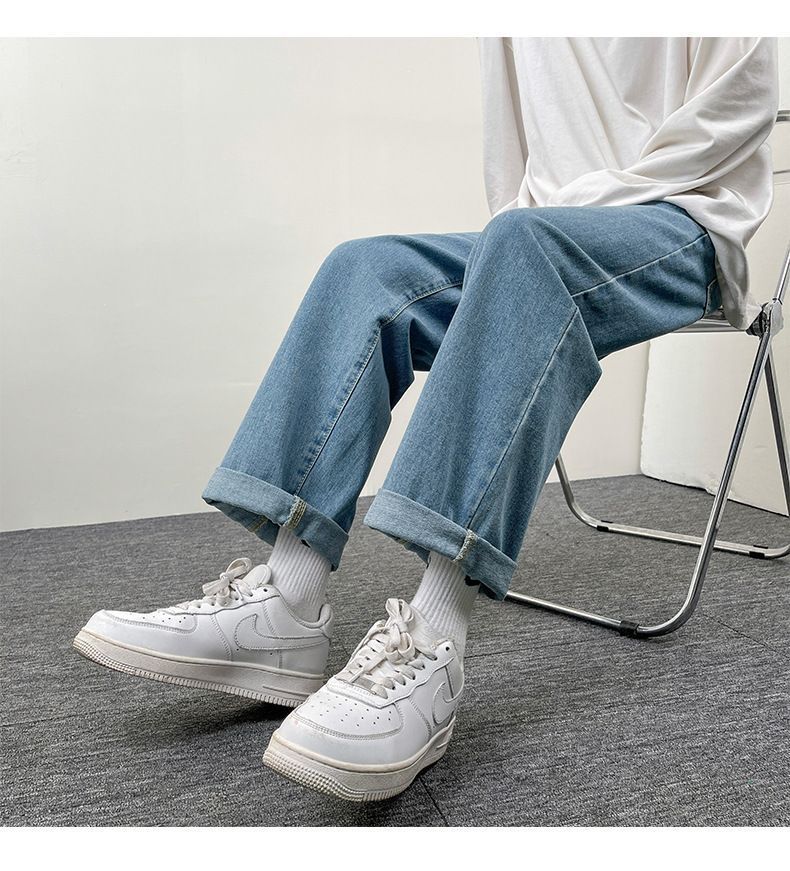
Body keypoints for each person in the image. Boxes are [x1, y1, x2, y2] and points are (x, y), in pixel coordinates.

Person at [73, 37, 778, 802]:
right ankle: (286, 602)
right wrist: (522, 235)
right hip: (544, 229)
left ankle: (435, 636)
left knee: (525, 247)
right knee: (366, 269)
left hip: (683, 223)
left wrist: (549, 231)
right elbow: (514, 140)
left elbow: (739, 101)